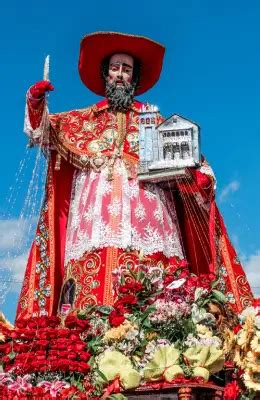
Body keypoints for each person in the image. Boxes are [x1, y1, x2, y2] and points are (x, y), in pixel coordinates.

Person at [16, 32, 253, 321]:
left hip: (149, 225)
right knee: (88, 300)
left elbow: (194, 163)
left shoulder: (154, 121)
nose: (119, 75)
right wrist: (35, 101)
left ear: (134, 78)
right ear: (106, 74)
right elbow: (42, 131)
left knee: (156, 302)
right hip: (93, 227)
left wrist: (200, 180)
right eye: (115, 68)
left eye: (126, 70)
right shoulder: (81, 120)